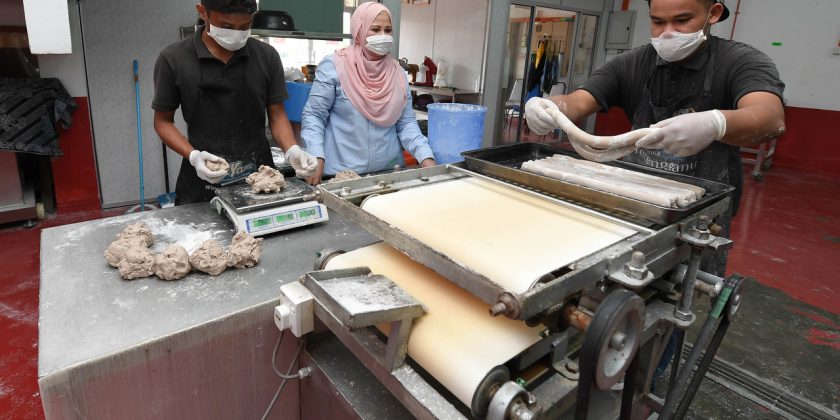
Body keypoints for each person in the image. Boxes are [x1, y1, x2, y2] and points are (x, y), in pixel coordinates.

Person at [525, 0, 785, 276]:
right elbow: (578, 101)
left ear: (714, 13)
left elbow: (770, 118)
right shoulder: (634, 63)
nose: (668, 33)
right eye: (658, 22)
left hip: (702, 212)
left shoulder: (740, 62)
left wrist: (716, 123)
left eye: (682, 20)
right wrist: (551, 107)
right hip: (637, 200)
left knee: (693, 281)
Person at [152, 0, 319, 205]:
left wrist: (292, 149)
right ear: (203, 12)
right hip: (203, 174)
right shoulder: (173, 59)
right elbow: (163, 122)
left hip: (259, 172)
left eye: (244, 26)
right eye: (226, 26)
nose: (236, 34)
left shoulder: (266, 56)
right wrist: (194, 156)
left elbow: (277, 116)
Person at [300, 2, 436, 185]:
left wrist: (425, 156)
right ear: (360, 30)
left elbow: (405, 123)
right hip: (341, 177)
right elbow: (314, 115)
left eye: (388, 30)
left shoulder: (398, 73)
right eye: (376, 29)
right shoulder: (335, 66)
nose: (383, 36)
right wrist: (316, 155)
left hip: (389, 174)